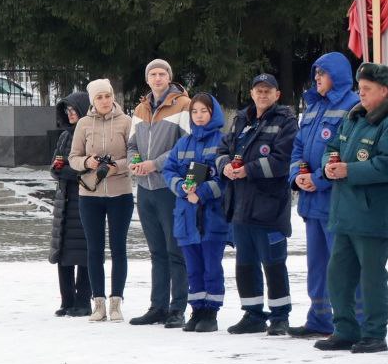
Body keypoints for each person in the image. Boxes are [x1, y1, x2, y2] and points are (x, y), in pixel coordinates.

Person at [317, 63, 388, 354]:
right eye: (360, 88)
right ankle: (344, 329)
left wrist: (349, 171)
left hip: (372, 214)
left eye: (367, 90)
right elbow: (332, 148)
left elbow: (387, 164)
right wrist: (328, 166)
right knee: (338, 275)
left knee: (372, 277)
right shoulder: (354, 117)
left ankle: (374, 333)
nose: (361, 94)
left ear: (383, 91)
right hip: (344, 211)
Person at [287, 52, 362, 339]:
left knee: (341, 265)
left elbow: (348, 152)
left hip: (336, 201)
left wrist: (319, 180)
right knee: (317, 265)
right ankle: (319, 317)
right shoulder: (313, 107)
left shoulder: (352, 106)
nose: (317, 78)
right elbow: (298, 147)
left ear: (338, 75)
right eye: (315, 74)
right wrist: (297, 176)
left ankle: (353, 321)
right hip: (311, 202)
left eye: (323, 73)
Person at [218, 74, 298, 336]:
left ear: (277, 95)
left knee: (273, 262)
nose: (262, 95)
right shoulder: (241, 119)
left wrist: (247, 170)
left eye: (268, 91)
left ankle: (279, 317)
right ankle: (252, 314)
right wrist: (225, 167)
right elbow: (221, 151)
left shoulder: (286, 121)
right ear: (251, 93)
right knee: (245, 263)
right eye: (258, 90)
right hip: (240, 204)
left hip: (269, 204)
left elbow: (282, 160)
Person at [127, 59, 192, 328]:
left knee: (174, 250)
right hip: (145, 189)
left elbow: (185, 145)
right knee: (156, 252)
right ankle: (158, 306)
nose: (157, 78)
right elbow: (131, 144)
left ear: (169, 76)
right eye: (152, 74)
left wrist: (155, 164)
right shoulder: (140, 109)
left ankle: (177, 308)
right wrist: (135, 161)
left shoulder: (183, 105)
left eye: (161, 73)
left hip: (169, 186)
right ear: (147, 79)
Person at [68, 78, 134, 323]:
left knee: (119, 248)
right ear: (93, 101)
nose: (105, 101)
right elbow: (73, 158)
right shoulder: (84, 124)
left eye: (108, 96)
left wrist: (117, 166)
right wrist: (88, 162)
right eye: (99, 97)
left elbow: (135, 157)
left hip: (121, 194)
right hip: (90, 194)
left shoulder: (126, 122)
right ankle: (99, 303)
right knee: (94, 250)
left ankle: (116, 301)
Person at [163, 93, 230, 333]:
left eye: (204, 111)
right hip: (186, 216)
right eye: (195, 112)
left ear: (214, 113)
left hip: (211, 217)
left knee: (212, 266)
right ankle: (197, 308)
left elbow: (225, 180)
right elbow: (168, 170)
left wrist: (201, 193)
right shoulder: (183, 142)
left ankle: (211, 312)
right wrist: (181, 187)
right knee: (193, 268)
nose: (199, 116)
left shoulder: (223, 141)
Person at [49, 91, 92, 317]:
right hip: (64, 200)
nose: (71, 114)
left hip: (83, 198)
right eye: (68, 110)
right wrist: (65, 171)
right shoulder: (65, 136)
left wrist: (66, 171)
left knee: (83, 252)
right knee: (63, 251)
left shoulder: (88, 134)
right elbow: (55, 167)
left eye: (74, 110)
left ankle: (83, 301)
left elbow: (84, 169)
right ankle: (67, 301)